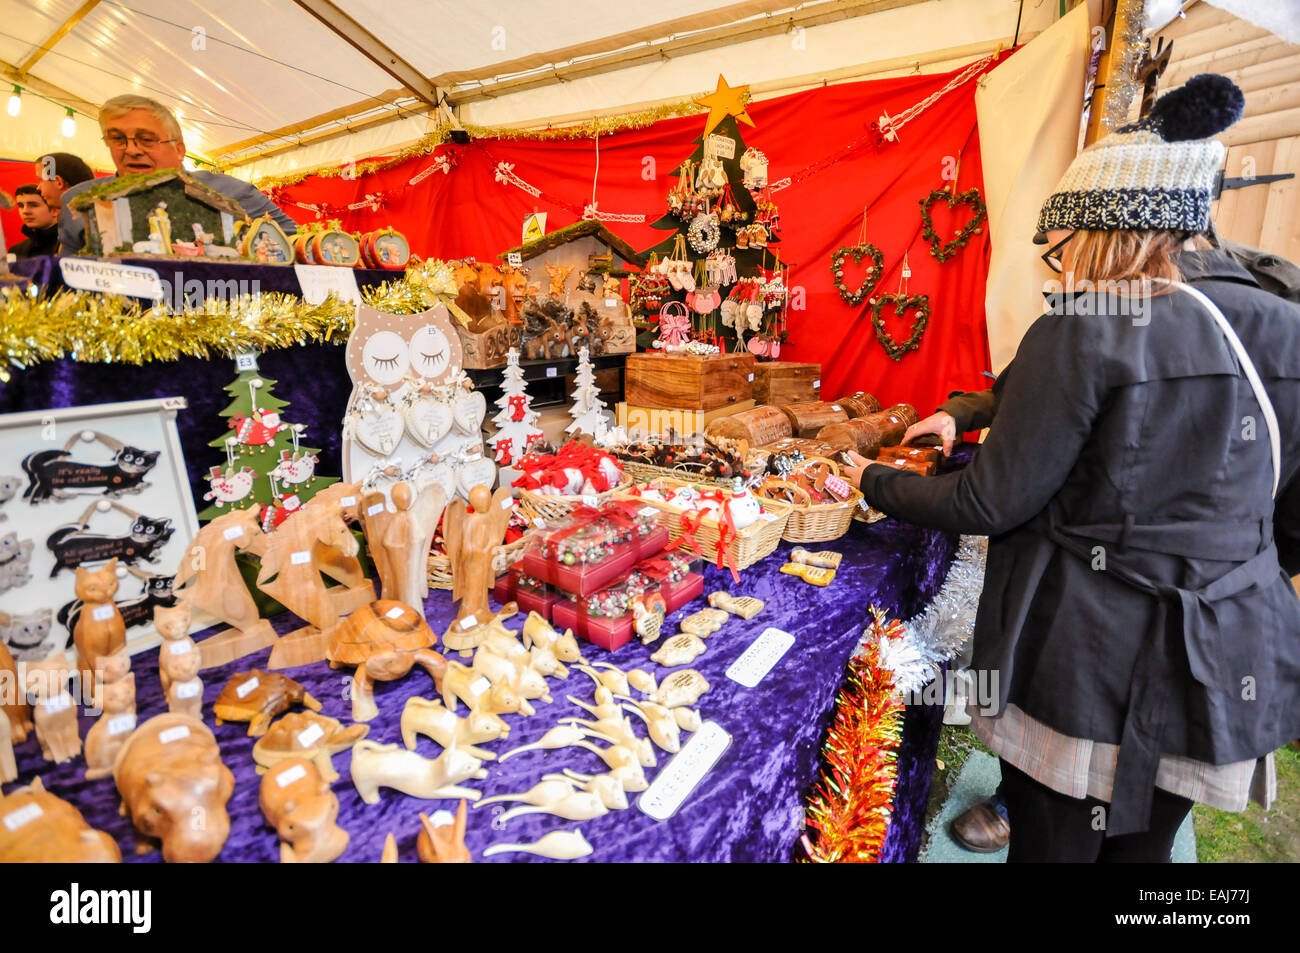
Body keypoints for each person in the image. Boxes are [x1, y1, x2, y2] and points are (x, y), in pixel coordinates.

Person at [844, 74, 1300, 862]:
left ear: (1103, 229)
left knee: (1056, 843)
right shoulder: (1286, 322)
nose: (1060, 267)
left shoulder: (1089, 324)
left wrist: (868, 479)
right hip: (1227, 656)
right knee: (1147, 850)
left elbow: (992, 499)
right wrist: (1230, 571)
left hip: (1088, 658)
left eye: (1064, 245)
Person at [58, 94, 296, 254]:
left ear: (179, 148)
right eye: (118, 139)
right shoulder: (79, 201)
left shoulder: (231, 192)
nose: (131, 150)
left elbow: (294, 247)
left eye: (147, 140)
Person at [8, 185, 60, 259]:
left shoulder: (71, 245)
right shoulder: (16, 250)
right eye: (21, 205)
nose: (25, 211)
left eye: (33, 205)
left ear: (55, 209)